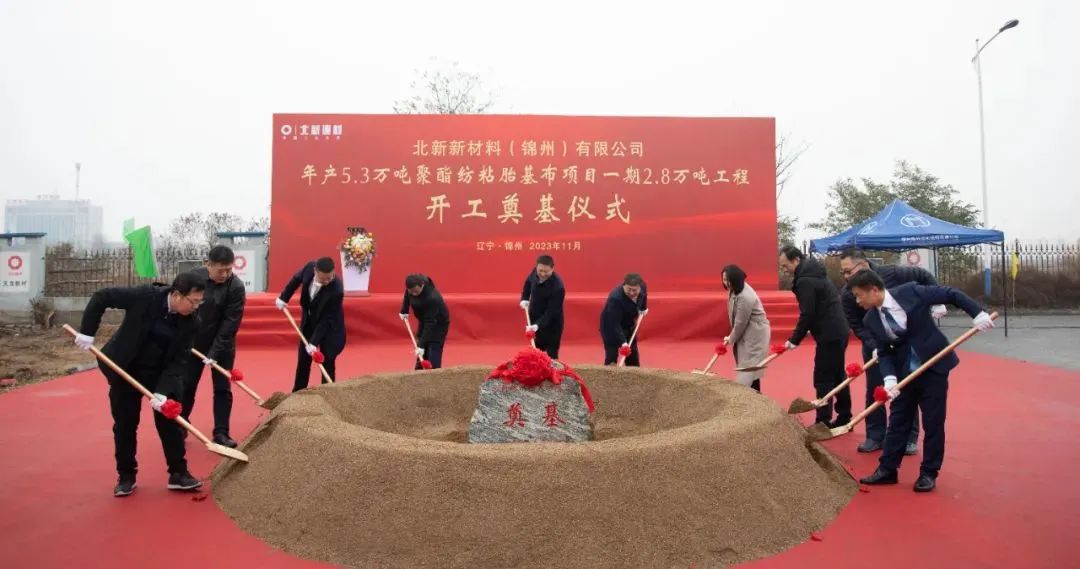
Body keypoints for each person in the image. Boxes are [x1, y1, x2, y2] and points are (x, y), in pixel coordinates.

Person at [848, 270, 994, 492]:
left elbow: (951, 294)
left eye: (859, 295)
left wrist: (977, 313)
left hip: (933, 367)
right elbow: (884, 352)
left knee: (933, 422)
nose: (858, 301)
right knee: (898, 420)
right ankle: (887, 469)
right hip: (904, 372)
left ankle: (928, 472)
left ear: (874, 290)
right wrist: (889, 379)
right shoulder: (871, 319)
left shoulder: (910, 292)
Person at [74, 272, 207, 497]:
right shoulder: (145, 296)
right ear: (176, 295)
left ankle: (178, 473)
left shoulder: (193, 321)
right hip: (126, 368)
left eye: (199, 303)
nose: (195, 307)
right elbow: (102, 296)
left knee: (170, 421)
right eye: (193, 302)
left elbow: (179, 359)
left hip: (160, 373)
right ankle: (126, 476)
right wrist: (87, 332)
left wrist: (163, 392)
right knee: (125, 424)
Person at [840, 247, 943, 455]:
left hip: (905, 343)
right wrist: (875, 346)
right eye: (843, 273)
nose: (846, 276)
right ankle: (875, 435)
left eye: (848, 271)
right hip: (875, 345)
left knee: (906, 387)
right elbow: (857, 325)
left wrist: (937, 301)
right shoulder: (848, 294)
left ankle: (909, 438)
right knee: (875, 387)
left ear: (863, 264)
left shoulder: (893, 273)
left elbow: (924, 275)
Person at [180, 245, 245, 448]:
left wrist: (215, 352)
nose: (225, 274)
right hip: (194, 344)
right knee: (187, 385)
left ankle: (221, 432)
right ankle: (181, 425)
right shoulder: (193, 279)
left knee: (222, 388)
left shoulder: (236, 286)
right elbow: (182, 309)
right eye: (220, 270)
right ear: (208, 264)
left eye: (229, 269)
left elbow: (230, 323)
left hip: (223, 345)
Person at [778, 246, 851, 427]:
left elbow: (808, 313)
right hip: (837, 329)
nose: (784, 270)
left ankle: (822, 421)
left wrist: (795, 339)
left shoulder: (805, 280)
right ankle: (844, 416)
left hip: (830, 333)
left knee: (823, 377)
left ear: (796, 260)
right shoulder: (814, 273)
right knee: (837, 374)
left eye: (785, 265)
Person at [276, 257, 346, 391]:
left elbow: (326, 319)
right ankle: (298, 392)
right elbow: (296, 279)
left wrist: (313, 342)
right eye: (323, 279)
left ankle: (328, 393)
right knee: (303, 358)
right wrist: (283, 298)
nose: (327, 281)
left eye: (330, 278)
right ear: (315, 271)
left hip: (330, 327)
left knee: (327, 360)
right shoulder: (309, 268)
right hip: (309, 320)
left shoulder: (337, 290)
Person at [722, 265, 771, 392]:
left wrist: (730, 338)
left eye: (728, 280)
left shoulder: (745, 296)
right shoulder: (736, 288)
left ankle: (750, 398)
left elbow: (740, 323)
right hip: (747, 331)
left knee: (749, 369)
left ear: (735, 279)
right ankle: (755, 397)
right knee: (750, 369)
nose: (726, 283)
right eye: (724, 279)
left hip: (756, 334)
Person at [399, 274, 451, 369]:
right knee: (422, 345)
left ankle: (434, 372)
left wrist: (421, 346)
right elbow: (408, 293)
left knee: (433, 347)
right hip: (424, 319)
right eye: (411, 291)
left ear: (422, 285)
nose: (414, 294)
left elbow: (430, 323)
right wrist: (404, 310)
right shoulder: (412, 288)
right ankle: (419, 371)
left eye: (416, 291)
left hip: (438, 323)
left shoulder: (432, 298)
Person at [520, 255, 566, 359]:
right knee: (535, 353)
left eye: (546, 271)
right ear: (536, 267)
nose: (543, 274)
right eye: (540, 270)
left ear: (552, 269)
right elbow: (528, 283)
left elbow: (551, 312)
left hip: (552, 325)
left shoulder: (558, 287)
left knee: (551, 356)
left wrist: (537, 325)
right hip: (534, 317)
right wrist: (525, 298)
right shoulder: (534, 272)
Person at [600, 273, 648, 366]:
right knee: (611, 357)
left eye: (634, 290)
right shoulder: (615, 298)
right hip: (610, 327)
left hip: (628, 323)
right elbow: (614, 323)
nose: (631, 293)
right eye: (629, 289)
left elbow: (644, 295)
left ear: (639, 287)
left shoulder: (643, 286)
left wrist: (643, 308)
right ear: (624, 285)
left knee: (633, 355)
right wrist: (623, 342)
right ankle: (610, 372)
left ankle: (633, 371)